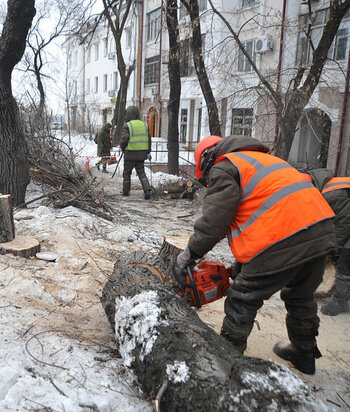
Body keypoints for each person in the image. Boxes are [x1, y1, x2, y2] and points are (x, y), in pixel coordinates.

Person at [176, 135, 336, 375]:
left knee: (242, 298)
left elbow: (216, 219)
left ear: (206, 162)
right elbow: (263, 210)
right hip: (321, 230)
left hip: (283, 235)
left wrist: (189, 254)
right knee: (301, 296)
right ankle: (304, 355)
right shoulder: (264, 160)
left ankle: (227, 359)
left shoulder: (224, 166)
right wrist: (240, 268)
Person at [304, 169, 350, 316]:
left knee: (345, 256)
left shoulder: (333, 194)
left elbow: (343, 226)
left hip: (347, 221)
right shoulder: (324, 188)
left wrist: (331, 252)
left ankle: (340, 300)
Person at [120, 106, 152, 199]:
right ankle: (147, 191)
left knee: (127, 173)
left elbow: (124, 139)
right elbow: (149, 140)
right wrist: (148, 151)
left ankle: (126, 191)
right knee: (141, 173)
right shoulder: (145, 125)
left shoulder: (127, 125)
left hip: (130, 154)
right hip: (141, 154)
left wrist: (122, 147)